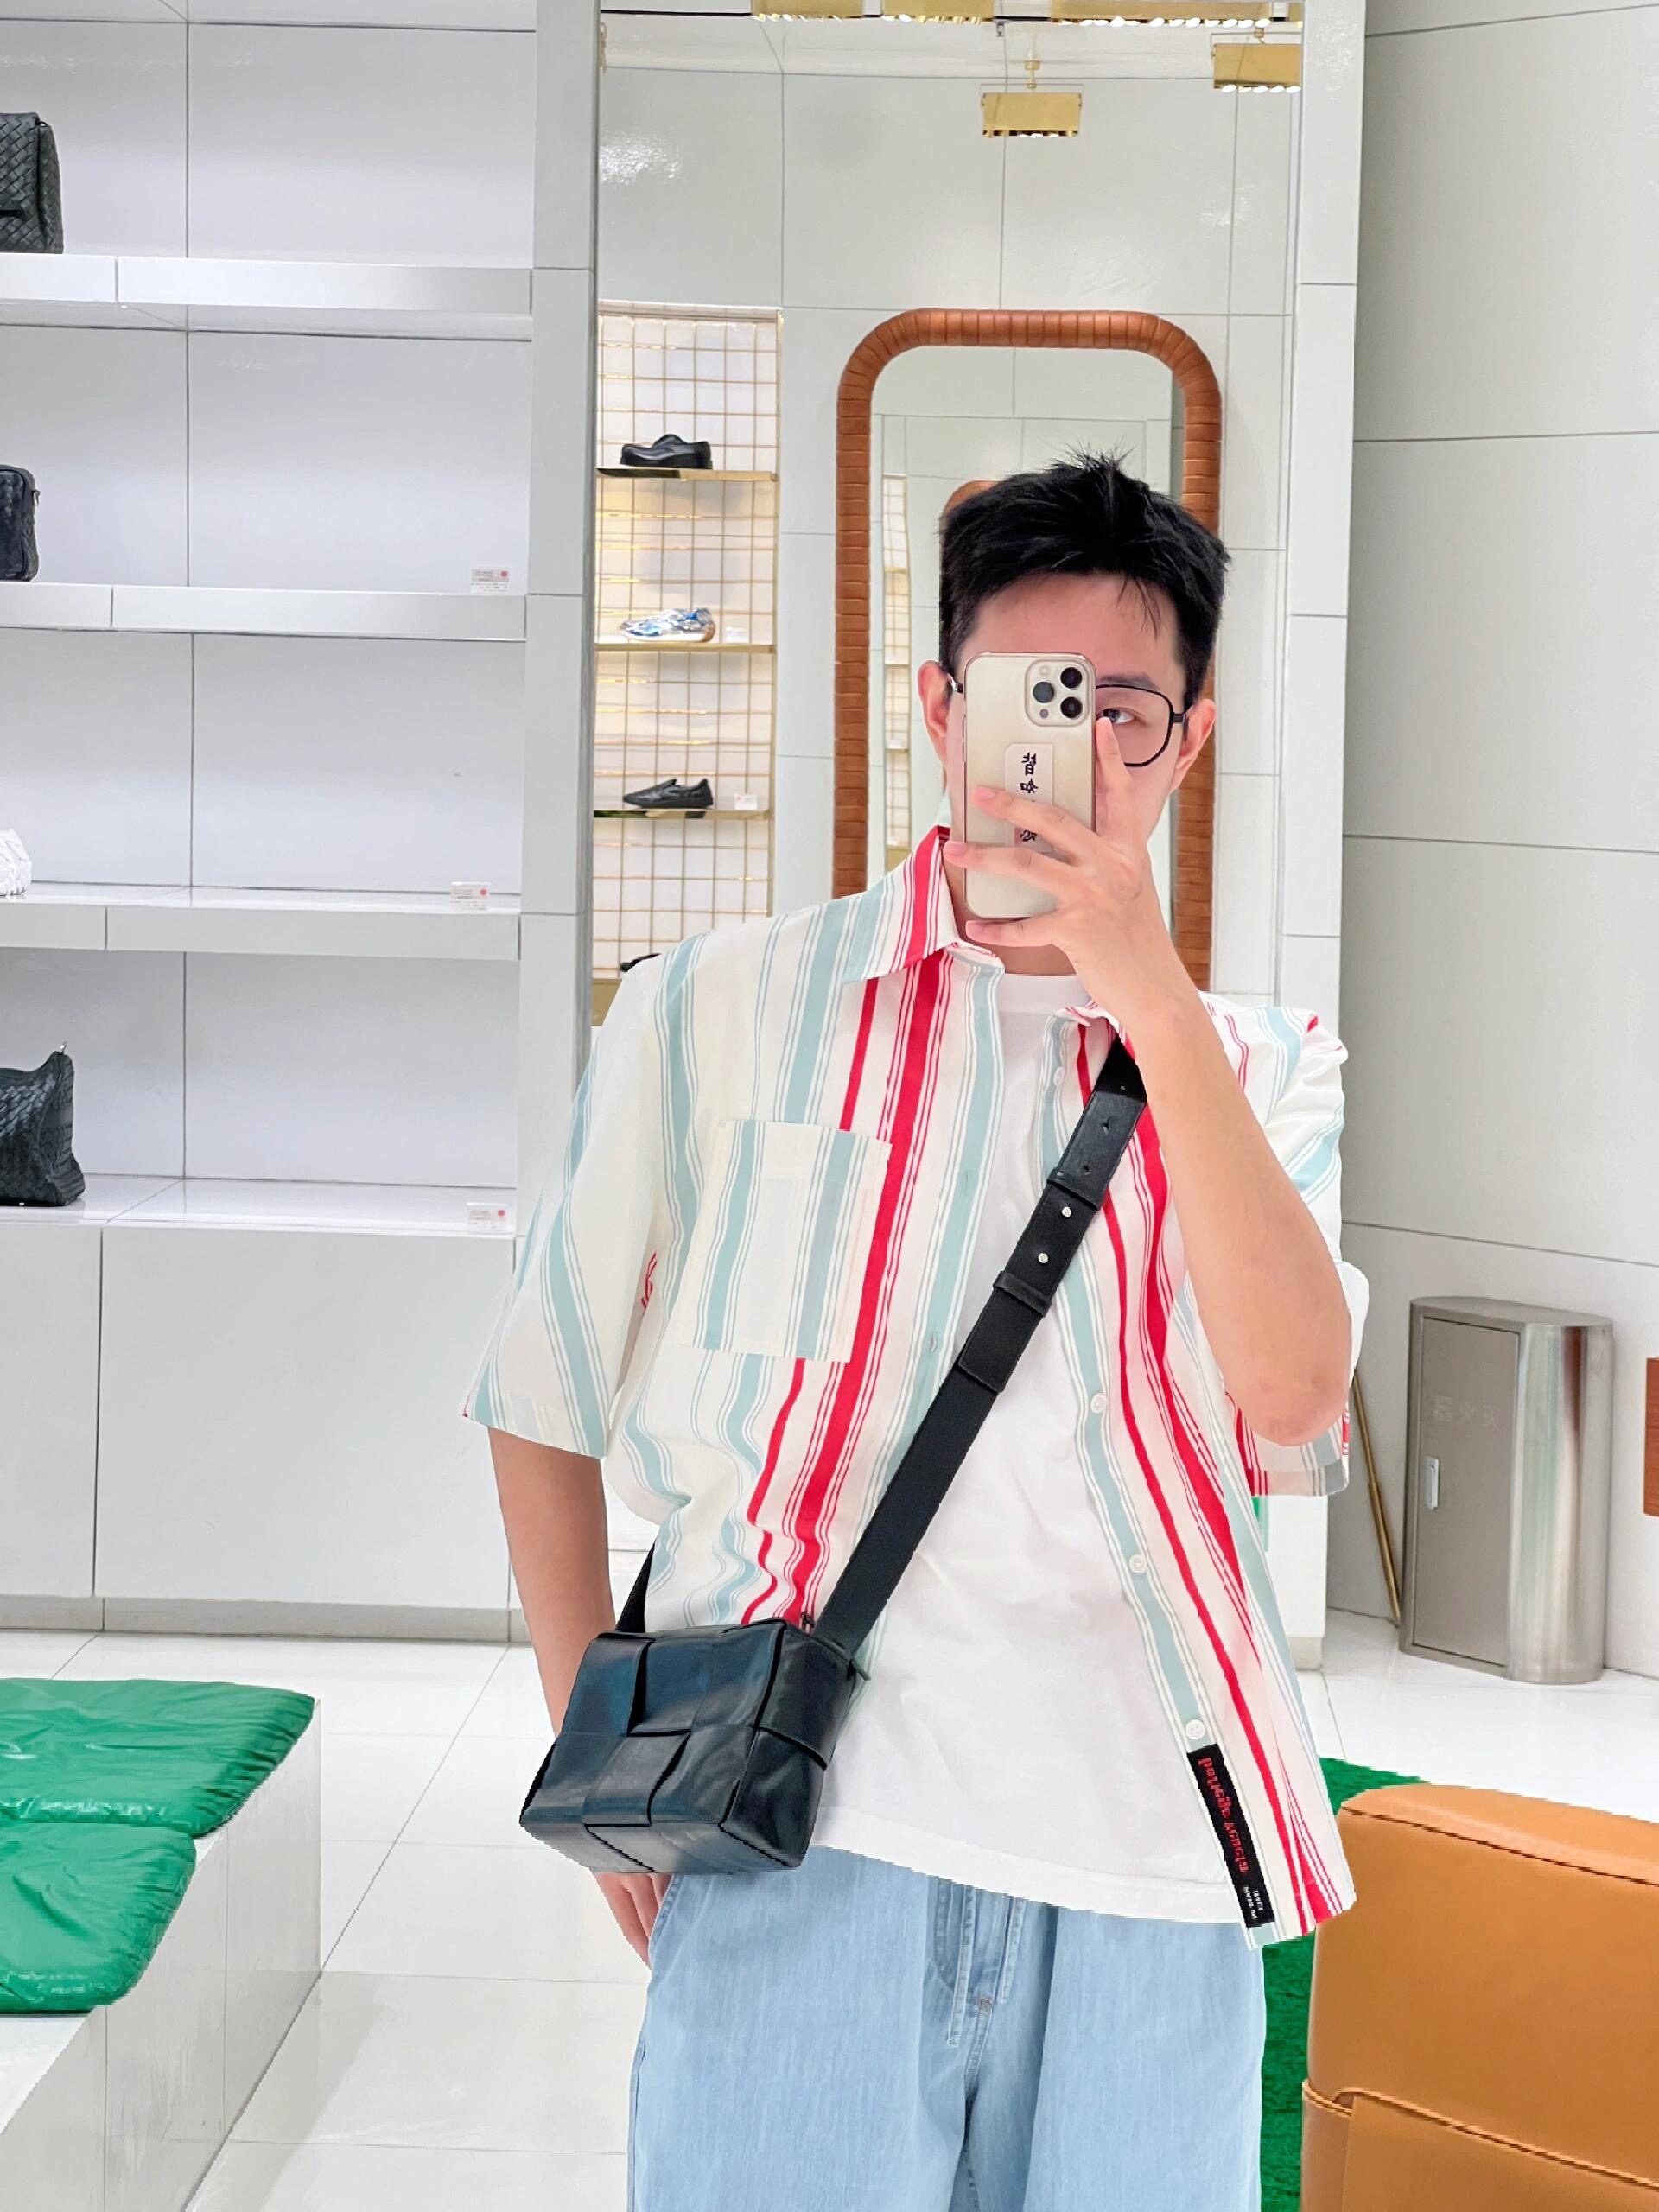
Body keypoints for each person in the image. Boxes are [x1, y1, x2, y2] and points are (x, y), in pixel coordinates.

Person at [466, 451, 1369, 2211]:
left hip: (1149, 1859)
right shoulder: (719, 1007)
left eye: (1126, 710)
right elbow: (539, 1388)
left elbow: (1292, 1401)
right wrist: (598, 1757)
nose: (1078, 750)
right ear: (945, 710)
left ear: (1187, 740)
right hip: (806, 1835)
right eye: (1036, 697)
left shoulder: (1268, 1067)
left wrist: (1150, 999)